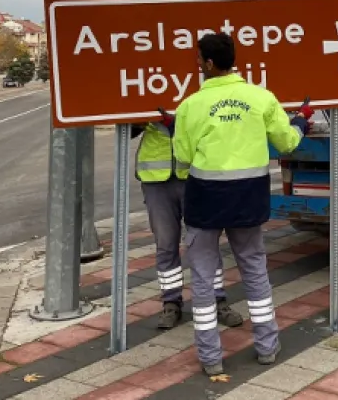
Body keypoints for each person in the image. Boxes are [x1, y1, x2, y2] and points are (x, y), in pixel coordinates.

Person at [173, 33, 313, 376]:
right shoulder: (261, 97)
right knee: (254, 269)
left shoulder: (190, 105)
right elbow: (288, 142)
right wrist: (302, 120)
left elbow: (182, 156)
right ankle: (267, 346)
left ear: (208, 64)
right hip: (248, 198)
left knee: (204, 277)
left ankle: (210, 357)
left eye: (198, 60)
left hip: (205, 200)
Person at [131, 111, 244, 331]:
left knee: (205, 244)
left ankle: (217, 300)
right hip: (156, 180)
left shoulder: (196, 89)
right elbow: (126, 128)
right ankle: (171, 303)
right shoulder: (147, 85)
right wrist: (138, 119)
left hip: (194, 177)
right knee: (165, 245)